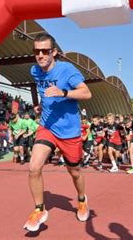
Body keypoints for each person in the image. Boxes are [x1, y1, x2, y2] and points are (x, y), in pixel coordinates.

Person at [23, 33, 92, 232]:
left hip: (69, 130)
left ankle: (81, 199)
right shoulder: (35, 70)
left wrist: (64, 93)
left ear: (54, 52)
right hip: (47, 126)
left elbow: (87, 93)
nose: (41, 55)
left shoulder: (67, 70)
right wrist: (38, 105)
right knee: (33, 167)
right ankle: (39, 209)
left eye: (45, 51)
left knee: (75, 171)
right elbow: (35, 85)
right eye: (37, 51)